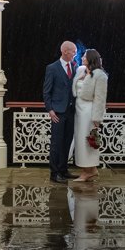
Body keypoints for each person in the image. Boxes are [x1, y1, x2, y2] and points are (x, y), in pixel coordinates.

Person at [71, 48, 108, 183]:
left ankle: (87, 172)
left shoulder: (100, 75)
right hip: (79, 111)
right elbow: (74, 88)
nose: (82, 58)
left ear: (91, 58)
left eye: (85, 57)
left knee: (88, 141)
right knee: (80, 141)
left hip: (89, 112)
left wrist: (97, 118)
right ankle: (91, 170)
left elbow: (100, 98)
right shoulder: (81, 70)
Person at [43, 41, 77, 183]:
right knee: (57, 143)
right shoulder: (52, 68)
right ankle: (54, 173)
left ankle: (63, 170)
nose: (75, 54)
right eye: (73, 52)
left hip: (71, 111)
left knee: (67, 141)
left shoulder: (74, 68)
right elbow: (46, 91)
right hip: (57, 112)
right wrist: (50, 110)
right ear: (65, 51)